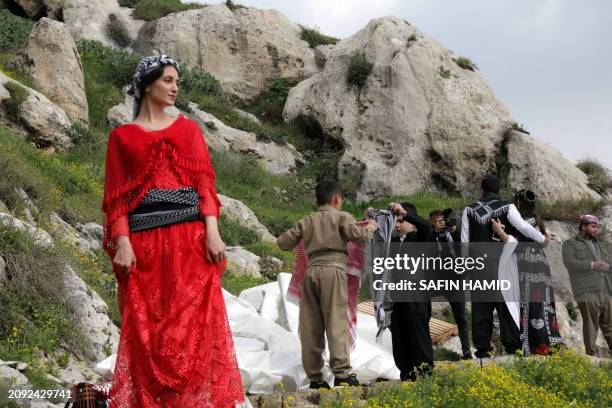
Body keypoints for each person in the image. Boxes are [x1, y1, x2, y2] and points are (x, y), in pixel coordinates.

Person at [102, 55, 244, 407]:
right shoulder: (122, 138)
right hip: (144, 248)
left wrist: (212, 230)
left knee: (191, 331)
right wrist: (122, 242)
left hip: (191, 243)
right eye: (167, 80)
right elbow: (116, 200)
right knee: (147, 332)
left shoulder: (189, 130)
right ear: (147, 85)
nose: (175, 87)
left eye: (177, 81)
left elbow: (205, 188)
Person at [276, 180, 378, 389]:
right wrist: (371, 226)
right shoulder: (343, 217)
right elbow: (357, 235)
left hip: (311, 272)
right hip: (334, 270)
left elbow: (283, 243)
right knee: (336, 321)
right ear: (337, 199)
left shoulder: (307, 221)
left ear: (316, 200)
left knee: (311, 326)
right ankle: (341, 374)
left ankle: (315, 378)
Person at [461, 176, 549, 359]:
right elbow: (523, 227)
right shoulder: (508, 207)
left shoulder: (469, 210)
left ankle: (483, 350)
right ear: (499, 191)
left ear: (482, 190)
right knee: (507, 306)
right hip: (503, 263)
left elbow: (464, 242)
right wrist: (542, 239)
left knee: (481, 309)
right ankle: (512, 348)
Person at [491, 189, 563, 356]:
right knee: (542, 301)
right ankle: (548, 340)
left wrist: (500, 231)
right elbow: (544, 240)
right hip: (540, 263)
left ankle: (532, 345)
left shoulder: (517, 219)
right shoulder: (536, 219)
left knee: (528, 302)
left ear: (517, 201)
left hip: (525, 262)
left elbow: (513, 241)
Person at [387, 202, 435, 381]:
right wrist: (370, 217)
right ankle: (406, 373)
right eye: (395, 221)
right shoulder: (392, 243)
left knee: (418, 336)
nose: (398, 225)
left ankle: (425, 374)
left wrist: (405, 213)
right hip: (397, 297)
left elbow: (427, 227)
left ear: (411, 222)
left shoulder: (419, 239)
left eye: (401, 221)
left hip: (417, 297)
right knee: (400, 336)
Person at [562, 214, 612, 356]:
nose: (596, 229)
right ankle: (591, 356)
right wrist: (592, 265)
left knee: (610, 325)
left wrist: (607, 266)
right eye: (593, 226)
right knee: (591, 325)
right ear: (583, 226)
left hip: (605, 289)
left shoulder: (599, 245)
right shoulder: (570, 244)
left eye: (597, 226)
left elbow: (609, 265)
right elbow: (570, 264)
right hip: (586, 290)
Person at [428, 209, 472, 360]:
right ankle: (426, 347)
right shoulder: (428, 235)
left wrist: (454, 232)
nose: (442, 223)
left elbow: (465, 249)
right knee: (424, 313)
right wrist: (434, 232)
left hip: (454, 280)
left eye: (443, 220)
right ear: (431, 223)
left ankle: (467, 351)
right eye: (437, 221)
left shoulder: (453, 234)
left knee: (461, 317)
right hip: (435, 280)